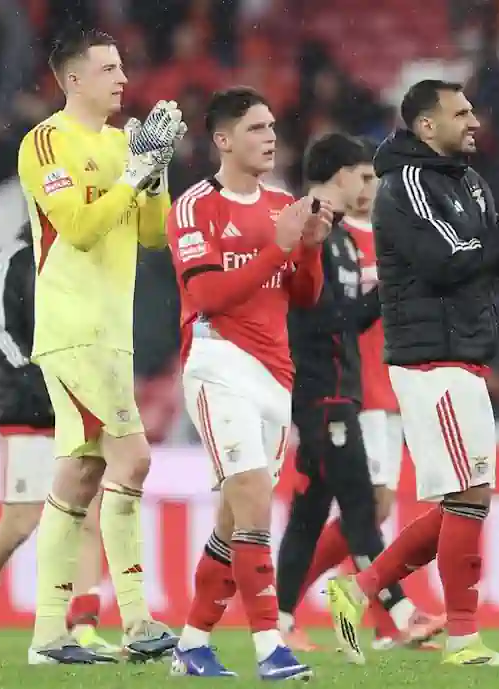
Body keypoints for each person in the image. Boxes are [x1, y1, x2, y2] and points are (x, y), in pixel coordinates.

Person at [325, 79, 499, 666]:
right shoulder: (405, 186)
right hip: (429, 356)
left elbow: (496, 268)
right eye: (461, 113)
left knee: (469, 497)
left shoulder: (471, 183)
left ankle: (356, 590)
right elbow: (448, 264)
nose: (475, 120)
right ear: (426, 126)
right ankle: (462, 638)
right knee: (467, 497)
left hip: (464, 353)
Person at [14, 28, 184, 665]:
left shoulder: (120, 143)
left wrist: (155, 172)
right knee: (132, 460)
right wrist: (133, 175)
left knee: (84, 471)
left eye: (123, 67)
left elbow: (151, 236)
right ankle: (138, 621)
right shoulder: (47, 142)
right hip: (73, 327)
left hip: (113, 333)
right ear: (72, 79)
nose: (122, 79)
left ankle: (48, 637)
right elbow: (81, 229)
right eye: (108, 69)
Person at [165, 87, 332, 680]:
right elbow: (206, 294)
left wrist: (308, 250)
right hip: (218, 364)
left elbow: (305, 296)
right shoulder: (193, 208)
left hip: (275, 375)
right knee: (255, 498)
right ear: (223, 140)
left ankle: (190, 645)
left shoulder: (283, 204)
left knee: (235, 520)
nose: (270, 137)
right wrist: (280, 246)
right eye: (257, 128)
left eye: (271, 127)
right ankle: (269, 647)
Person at [275, 132, 444, 653]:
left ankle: (279, 613)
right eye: (365, 176)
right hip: (332, 391)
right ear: (342, 175)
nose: (372, 187)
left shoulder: (354, 239)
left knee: (324, 508)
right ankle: (394, 610)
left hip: (363, 388)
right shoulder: (315, 231)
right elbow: (316, 315)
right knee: (361, 505)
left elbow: (345, 318)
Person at [0, 225, 116, 656]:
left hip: (76, 411)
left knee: (87, 519)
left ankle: (82, 628)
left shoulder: (84, 260)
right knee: (21, 522)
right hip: (27, 412)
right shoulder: (15, 257)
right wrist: (46, 386)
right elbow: (2, 335)